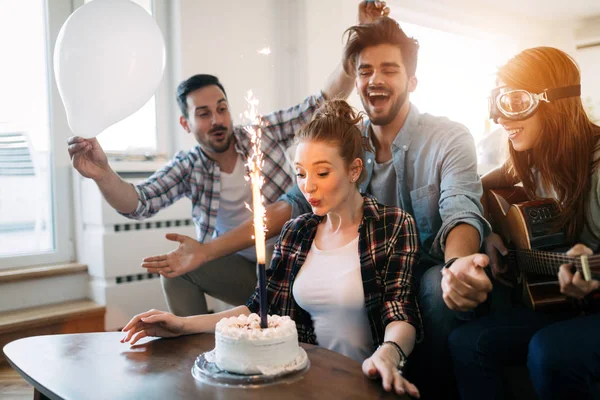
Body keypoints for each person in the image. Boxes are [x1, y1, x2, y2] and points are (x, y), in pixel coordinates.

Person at [143, 16, 491, 399]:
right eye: (365, 70)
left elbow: (460, 208)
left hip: (417, 274)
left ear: (411, 81)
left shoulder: (441, 147)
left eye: (389, 69)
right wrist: (184, 319)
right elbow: (267, 289)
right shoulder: (317, 193)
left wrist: (458, 267)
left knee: (432, 284)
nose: (374, 79)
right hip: (310, 371)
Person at [121, 100, 422, 398]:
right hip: (298, 385)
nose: (309, 187)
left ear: (354, 170)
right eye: (301, 174)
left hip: (363, 385)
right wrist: (180, 325)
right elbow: (257, 309)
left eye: (322, 173)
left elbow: (400, 312)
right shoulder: (296, 232)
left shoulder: (392, 225)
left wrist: (388, 355)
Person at [449, 46, 600, 400]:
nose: (501, 118)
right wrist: (488, 232)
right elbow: (482, 185)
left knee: (550, 352)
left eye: (515, 102)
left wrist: (590, 275)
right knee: (467, 342)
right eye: (497, 102)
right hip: (569, 302)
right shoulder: (533, 160)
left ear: (555, 101)